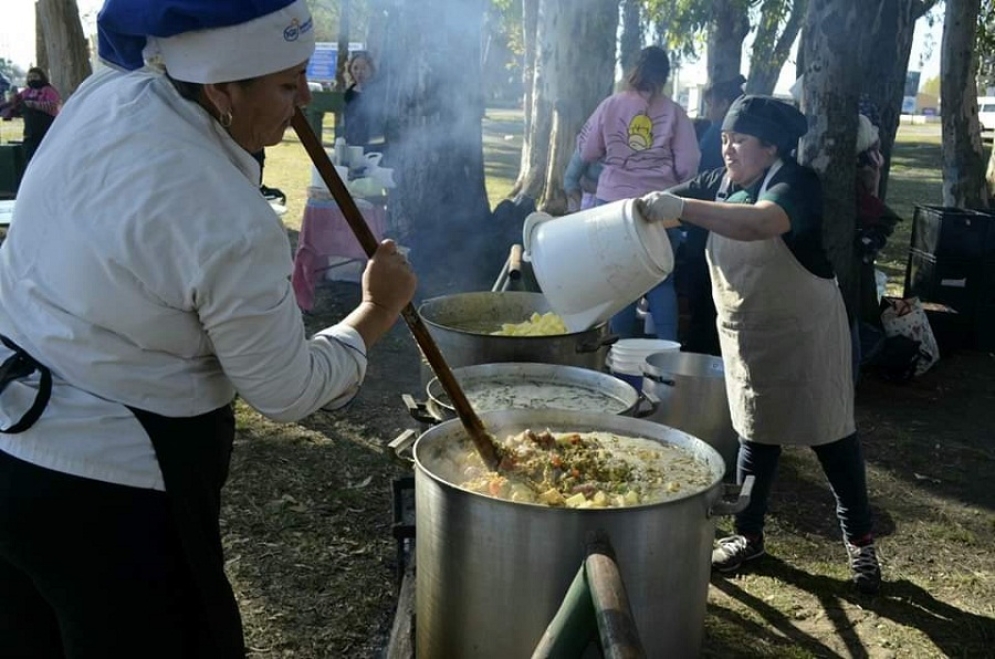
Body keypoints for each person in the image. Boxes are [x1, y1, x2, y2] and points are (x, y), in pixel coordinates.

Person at [0, 1, 417, 656]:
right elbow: (285, 389)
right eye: (285, 84)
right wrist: (377, 310)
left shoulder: (107, 96)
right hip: (107, 495)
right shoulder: (228, 218)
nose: (304, 99)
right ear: (221, 88)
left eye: (303, 75)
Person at [635, 95, 882, 595]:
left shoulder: (795, 184)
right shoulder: (717, 184)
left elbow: (760, 223)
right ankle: (748, 536)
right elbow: (656, 213)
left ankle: (861, 544)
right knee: (755, 434)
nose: (727, 149)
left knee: (831, 436)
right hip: (749, 333)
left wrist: (681, 208)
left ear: (770, 147)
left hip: (806, 334)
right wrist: (635, 214)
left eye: (739, 141)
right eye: (724, 139)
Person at [577, 45, 700, 341]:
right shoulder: (675, 112)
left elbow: (587, 149)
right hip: (658, 207)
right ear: (665, 76)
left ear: (634, 70)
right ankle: (668, 350)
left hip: (612, 206)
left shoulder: (610, 105)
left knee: (621, 281)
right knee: (661, 280)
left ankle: (618, 353)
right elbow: (689, 163)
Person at [0, 67, 61, 165]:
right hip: (30, 132)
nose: (32, 79)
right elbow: (13, 101)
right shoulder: (27, 91)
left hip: (46, 127)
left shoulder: (49, 90)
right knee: (30, 155)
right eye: (30, 77)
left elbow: (53, 105)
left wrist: (33, 104)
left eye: (35, 76)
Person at [342, 51, 384, 151]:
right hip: (351, 141)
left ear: (371, 70)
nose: (359, 72)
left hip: (371, 142)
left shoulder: (375, 92)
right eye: (355, 68)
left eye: (363, 68)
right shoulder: (349, 93)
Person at [563, 145, 603, 212]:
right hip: (587, 201)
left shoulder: (621, 149)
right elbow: (570, 179)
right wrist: (579, 207)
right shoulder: (587, 146)